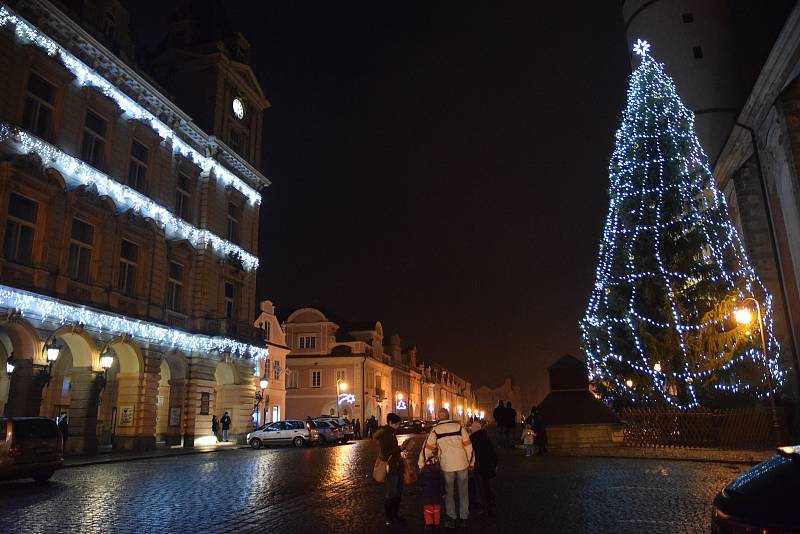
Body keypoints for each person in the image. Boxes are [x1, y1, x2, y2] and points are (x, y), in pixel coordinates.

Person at [419, 407, 474, 528]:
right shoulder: (459, 428)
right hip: (462, 463)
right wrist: (471, 462)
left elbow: (427, 449)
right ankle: (464, 516)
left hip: (446, 465)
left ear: (439, 417)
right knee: (464, 491)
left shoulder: (435, 430)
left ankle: (451, 517)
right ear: (448, 416)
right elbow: (468, 446)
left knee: (449, 492)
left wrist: (422, 465)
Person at [374, 413, 408, 527]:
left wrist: (401, 451)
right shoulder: (385, 434)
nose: (398, 426)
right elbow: (386, 452)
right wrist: (400, 448)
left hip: (397, 466)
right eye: (397, 424)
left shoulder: (391, 432)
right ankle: (389, 517)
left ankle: (395, 515)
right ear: (390, 423)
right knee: (391, 493)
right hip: (391, 468)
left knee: (397, 492)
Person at [420, 454, 445, 529]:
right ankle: (437, 523)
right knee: (436, 511)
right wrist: (443, 493)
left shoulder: (423, 473)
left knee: (428, 511)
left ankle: (429, 524)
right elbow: (442, 484)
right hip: (437, 496)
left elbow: (420, 484)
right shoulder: (439, 474)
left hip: (427, 496)